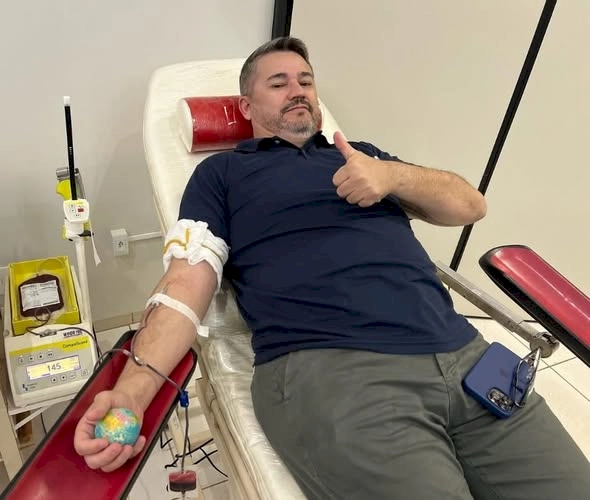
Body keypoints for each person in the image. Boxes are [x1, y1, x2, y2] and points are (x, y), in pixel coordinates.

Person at [74, 37, 590, 498]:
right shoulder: (222, 173)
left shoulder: (363, 157)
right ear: (246, 106)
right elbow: (186, 281)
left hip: (465, 357)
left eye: (306, 80)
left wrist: (390, 176)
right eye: (278, 83)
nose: (297, 90)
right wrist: (133, 391)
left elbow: (470, 206)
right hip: (337, 370)